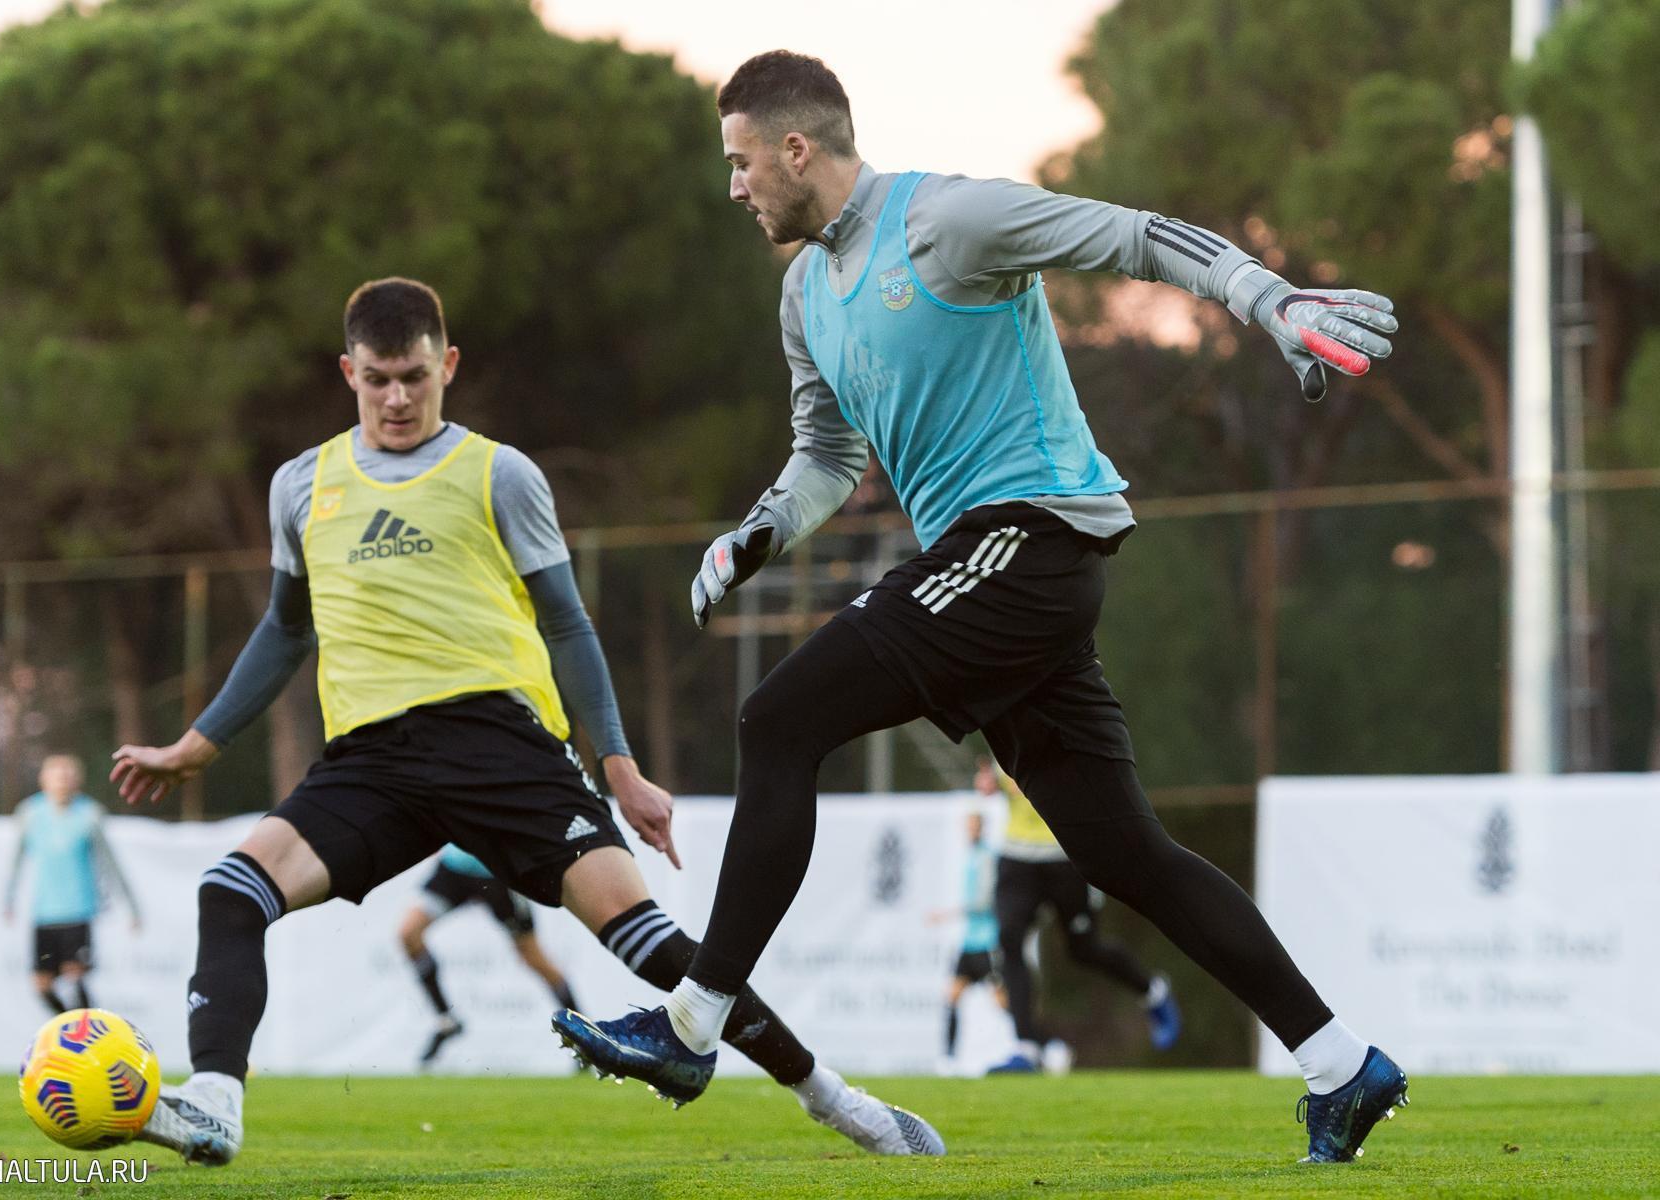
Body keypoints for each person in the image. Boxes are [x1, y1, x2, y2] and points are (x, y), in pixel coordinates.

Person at [558, 52, 1407, 1164]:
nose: (734, 186)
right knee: (1124, 854)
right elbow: (827, 454)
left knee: (778, 719)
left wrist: (1270, 299)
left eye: (741, 161)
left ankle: (690, 1026)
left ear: (796, 149)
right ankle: (1343, 1065)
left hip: (1031, 538)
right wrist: (754, 535)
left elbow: (1134, 236)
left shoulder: (946, 221)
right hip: (1001, 572)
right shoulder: (804, 294)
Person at [109, 277, 943, 1165]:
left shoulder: (499, 473)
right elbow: (284, 630)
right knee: (230, 891)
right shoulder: (300, 485)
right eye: (378, 379)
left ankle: (836, 1100)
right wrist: (195, 745)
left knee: (653, 946)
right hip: (372, 760)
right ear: (348, 372)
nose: (397, 398)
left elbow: (568, 624)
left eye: (415, 377)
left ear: (448, 365)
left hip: (501, 746)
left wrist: (618, 766)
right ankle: (215, 1105)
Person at [976, 758, 1180, 1074]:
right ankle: (1025, 1046)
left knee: (1083, 948)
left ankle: (1153, 992)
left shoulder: (1066, 734)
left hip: (1065, 857)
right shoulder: (1003, 732)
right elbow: (1000, 769)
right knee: (1009, 940)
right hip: (1017, 858)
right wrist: (991, 778)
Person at [400, 843, 581, 1067]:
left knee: (534, 958)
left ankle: (583, 1037)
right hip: (454, 868)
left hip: (500, 875)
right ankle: (446, 1020)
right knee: (408, 934)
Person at [3, 753, 141, 1014]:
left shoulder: (89, 814)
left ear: (78, 781)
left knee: (74, 978)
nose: (62, 782)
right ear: (44, 780)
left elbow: (110, 864)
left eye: (67, 776)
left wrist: (132, 907)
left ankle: (86, 1031)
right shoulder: (30, 813)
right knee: (42, 985)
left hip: (78, 912)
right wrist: (7, 899)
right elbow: (16, 860)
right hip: (44, 914)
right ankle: (70, 1028)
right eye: (57, 776)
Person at [926, 807, 1011, 1072]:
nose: (970, 830)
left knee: (1003, 1001)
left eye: (974, 826)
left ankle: (1031, 1046)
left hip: (987, 942)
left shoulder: (986, 857)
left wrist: (946, 915)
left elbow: (983, 902)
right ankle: (948, 1059)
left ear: (981, 828)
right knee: (952, 996)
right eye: (967, 826)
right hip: (969, 943)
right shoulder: (971, 856)